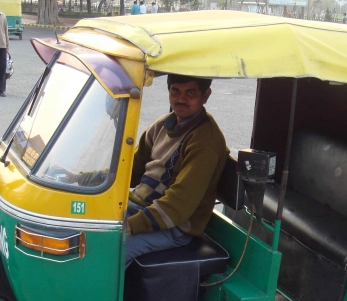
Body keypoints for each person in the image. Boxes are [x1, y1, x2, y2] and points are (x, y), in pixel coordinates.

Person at [50, 75, 228, 266]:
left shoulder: (205, 142)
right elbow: (130, 167)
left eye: (190, 93)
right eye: (175, 91)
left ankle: (95, 294)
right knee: (75, 222)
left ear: (205, 96)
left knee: (107, 253)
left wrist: (130, 225)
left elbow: (179, 204)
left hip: (174, 227)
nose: (181, 99)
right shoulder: (163, 125)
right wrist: (80, 178)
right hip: (140, 209)